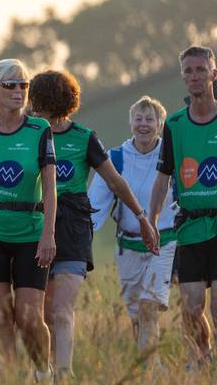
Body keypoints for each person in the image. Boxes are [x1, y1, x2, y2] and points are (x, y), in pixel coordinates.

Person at [28, 71, 157, 380]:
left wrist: (141, 218)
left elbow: (115, 182)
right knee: (42, 311)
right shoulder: (29, 134)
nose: (31, 106)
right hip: (35, 222)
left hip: (72, 224)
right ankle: (42, 371)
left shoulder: (84, 137)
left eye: (36, 99)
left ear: (49, 100)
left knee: (61, 310)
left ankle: (65, 373)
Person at [0, 59, 56, 380]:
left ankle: (43, 372)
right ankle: (7, 379)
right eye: (10, 85)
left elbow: (49, 187)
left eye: (23, 85)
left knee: (29, 316)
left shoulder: (39, 130)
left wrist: (49, 234)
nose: (18, 91)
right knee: (1, 316)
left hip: (30, 232)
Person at [88, 96, 176, 361]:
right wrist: (81, 240)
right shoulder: (115, 158)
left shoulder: (170, 156)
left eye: (150, 119)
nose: (143, 124)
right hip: (128, 246)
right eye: (138, 118)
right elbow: (95, 204)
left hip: (164, 243)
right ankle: (148, 364)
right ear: (130, 123)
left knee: (149, 306)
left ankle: (150, 368)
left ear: (160, 125)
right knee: (137, 314)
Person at [149, 45, 217, 371]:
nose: (194, 76)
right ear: (182, 77)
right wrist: (151, 220)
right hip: (189, 227)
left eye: (200, 70)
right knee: (191, 306)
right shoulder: (174, 124)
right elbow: (163, 176)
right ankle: (203, 356)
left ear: (213, 74)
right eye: (188, 71)